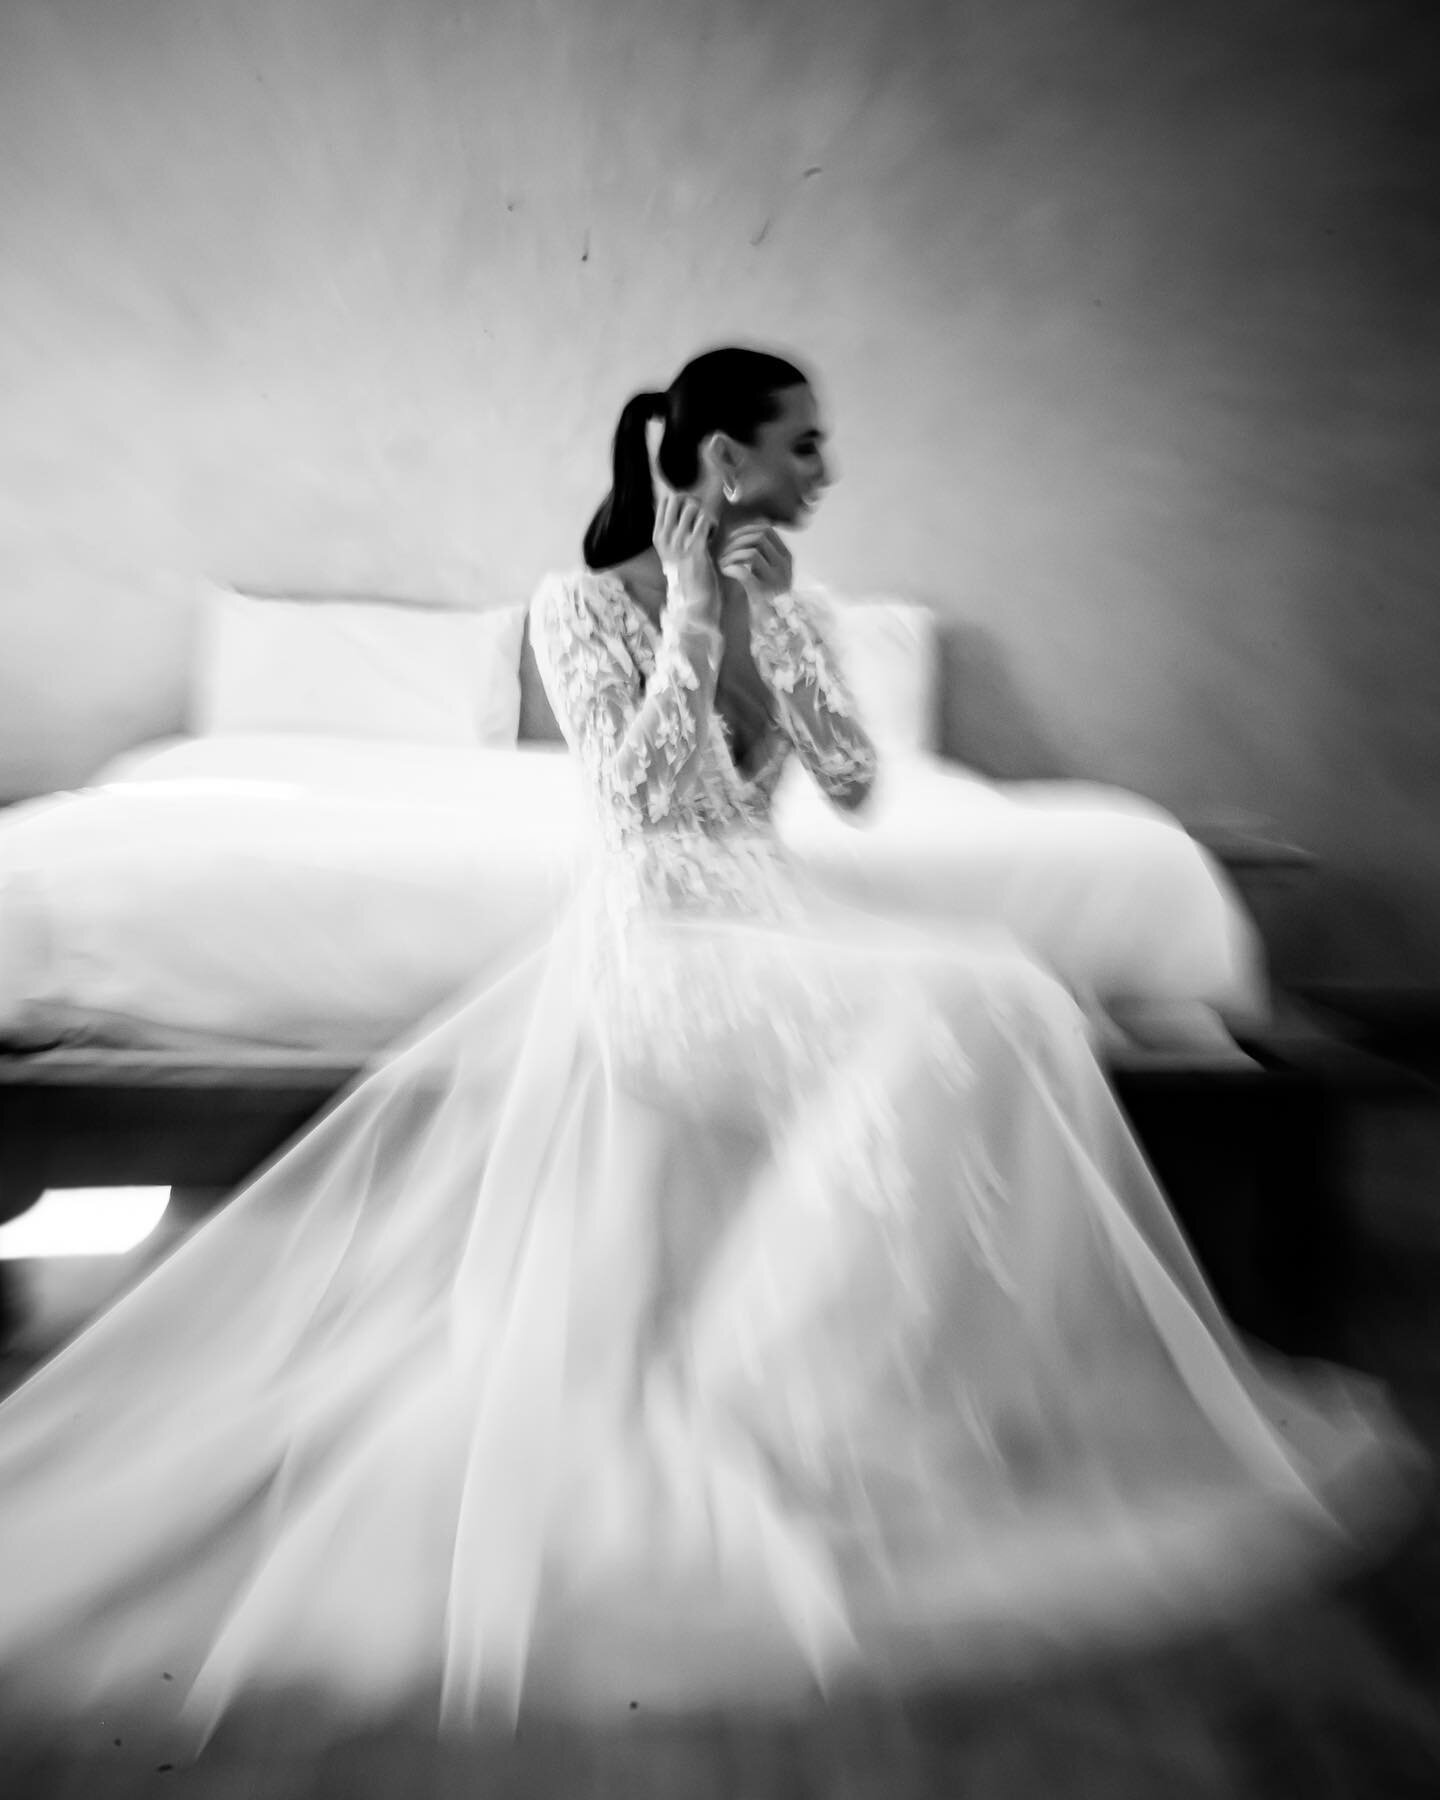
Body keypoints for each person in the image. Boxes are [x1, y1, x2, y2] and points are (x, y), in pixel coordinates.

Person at [0, 346, 1422, 1754]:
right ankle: (770, 1401)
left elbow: (859, 792)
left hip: (775, 922)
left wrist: (795, 646)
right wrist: (688, 619)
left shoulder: (790, 603)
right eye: (803, 446)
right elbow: (633, 802)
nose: (825, 470)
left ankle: (856, 1378)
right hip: (657, 957)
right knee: (957, 1007)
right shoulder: (579, 607)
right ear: (725, 458)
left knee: (1005, 992)